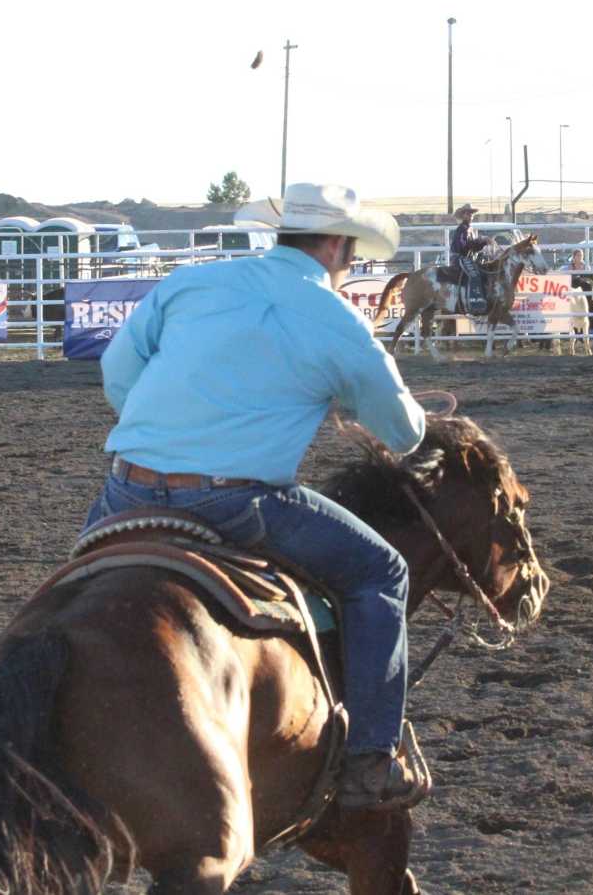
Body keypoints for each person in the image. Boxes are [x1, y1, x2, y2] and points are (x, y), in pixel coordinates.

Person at [89, 182, 428, 811]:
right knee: (382, 572)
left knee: (83, 584)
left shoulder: (191, 283)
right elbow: (404, 434)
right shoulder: (337, 320)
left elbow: (118, 371)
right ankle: (369, 758)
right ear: (337, 246)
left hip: (126, 490)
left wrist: (168, 432)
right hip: (234, 504)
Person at [449, 203, 490, 312]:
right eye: (468, 213)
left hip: (465, 257)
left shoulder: (469, 229)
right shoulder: (462, 229)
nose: (470, 216)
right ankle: (474, 302)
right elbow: (462, 246)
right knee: (474, 274)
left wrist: (482, 243)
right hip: (459, 258)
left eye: (471, 214)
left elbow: (472, 246)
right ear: (463, 215)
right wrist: (480, 241)